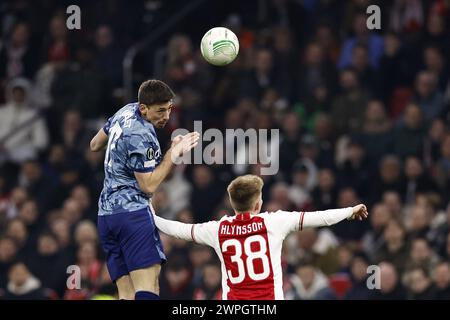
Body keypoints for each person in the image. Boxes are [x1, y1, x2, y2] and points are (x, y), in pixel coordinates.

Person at [154, 174, 368, 300]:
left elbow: (179, 230)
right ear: (258, 203)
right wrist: (349, 211)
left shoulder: (218, 229)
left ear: (232, 203)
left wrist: (151, 216)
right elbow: (320, 218)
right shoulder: (273, 222)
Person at [90, 79, 199, 300]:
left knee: (127, 294)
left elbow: (94, 144)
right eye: (160, 111)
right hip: (132, 216)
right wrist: (173, 153)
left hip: (106, 216)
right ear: (144, 108)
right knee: (148, 287)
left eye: (168, 109)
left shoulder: (126, 110)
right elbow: (148, 185)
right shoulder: (143, 135)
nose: (166, 117)